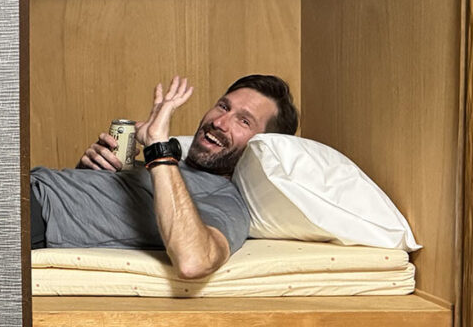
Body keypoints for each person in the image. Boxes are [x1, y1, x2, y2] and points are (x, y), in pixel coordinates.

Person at [29, 74, 299, 278]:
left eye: (244, 121)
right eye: (223, 107)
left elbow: (195, 261)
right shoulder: (171, 169)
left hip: (33, 213)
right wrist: (89, 170)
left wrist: (159, 147)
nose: (219, 122)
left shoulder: (227, 200)